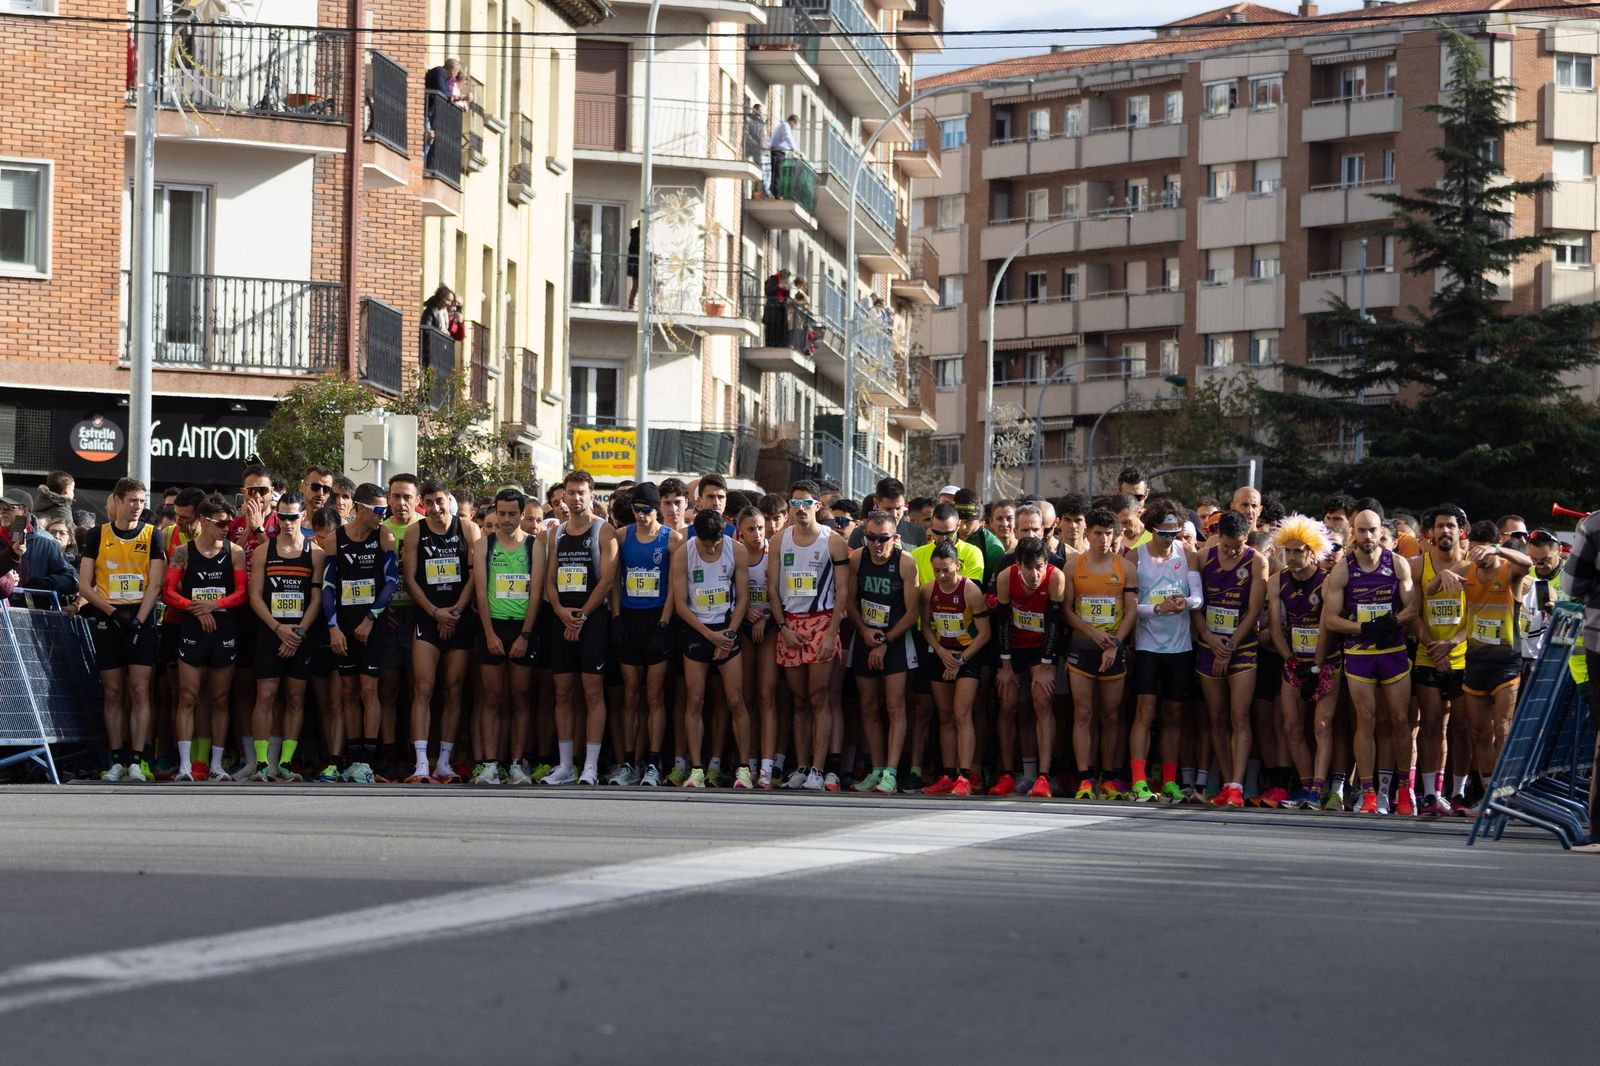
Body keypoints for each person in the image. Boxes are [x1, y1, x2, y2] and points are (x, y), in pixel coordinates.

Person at [1321, 508, 1418, 815]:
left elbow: (1412, 610)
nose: (1366, 536)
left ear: (1381, 532)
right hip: (1360, 654)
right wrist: (1363, 628)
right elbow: (1331, 620)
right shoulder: (1343, 570)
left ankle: (1405, 791)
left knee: (1400, 720)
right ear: (1353, 533)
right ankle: (1369, 793)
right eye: (1360, 530)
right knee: (1367, 720)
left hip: (1392, 652)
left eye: (1372, 530)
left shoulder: (1397, 563)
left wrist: (1392, 622)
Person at [78, 478, 166, 782]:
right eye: (132, 500)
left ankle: (138, 760)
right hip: (109, 617)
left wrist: (139, 621)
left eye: (142, 501)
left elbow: (155, 584)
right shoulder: (96, 534)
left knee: (140, 690)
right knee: (113, 692)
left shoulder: (154, 535)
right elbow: (84, 585)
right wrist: (112, 612)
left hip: (140, 618)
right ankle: (115, 759)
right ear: (116, 501)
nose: (138, 507)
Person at [767, 480, 851, 791]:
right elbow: (773, 588)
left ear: (817, 505)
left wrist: (831, 633)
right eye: (795, 503)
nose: (800, 509)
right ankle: (802, 766)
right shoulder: (779, 540)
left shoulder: (833, 541)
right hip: (790, 625)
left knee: (819, 699)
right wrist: (782, 627)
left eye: (806, 504)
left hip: (821, 623)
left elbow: (843, 591)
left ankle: (819, 767)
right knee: (799, 700)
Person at [162, 494, 247, 783]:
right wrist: (196, 609)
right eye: (221, 523)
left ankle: (217, 765)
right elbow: (169, 592)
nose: (226, 528)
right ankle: (185, 764)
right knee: (187, 696)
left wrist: (214, 606)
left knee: (220, 698)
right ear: (204, 521)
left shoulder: (234, 552)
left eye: (230, 523)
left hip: (223, 627)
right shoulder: (183, 553)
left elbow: (241, 593)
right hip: (192, 626)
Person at [542, 470, 619, 787]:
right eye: (569, 493)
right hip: (563, 619)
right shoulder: (556, 533)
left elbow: (608, 580)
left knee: (591, 693)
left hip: (593, 619)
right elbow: (549, 577)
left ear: (591, 496)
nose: (574, 498)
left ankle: (590, 765)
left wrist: (582, 616)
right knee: (562, 693)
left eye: (580, 492)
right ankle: (564, 765)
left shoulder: (604, 530)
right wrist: (561, 612)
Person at [322, 484, 399, 785]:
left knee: (369, 690)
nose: (384, 515)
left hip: (372, 623)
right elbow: (328, 588)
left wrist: (370, 619)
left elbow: (391, 582)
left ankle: (367, 760)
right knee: (348, 692)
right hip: (343, 623)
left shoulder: (385, 536)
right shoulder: (334, 539)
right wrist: (332, 628)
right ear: (361, 508)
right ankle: (353, 758)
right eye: (380, 510)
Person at [403, 478, 478, 784]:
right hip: (429, 619)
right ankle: (421, 762)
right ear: (423, 503)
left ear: (450, 500)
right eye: (429, 503)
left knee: (454, 690)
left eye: (440, 501)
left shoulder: (468, 529)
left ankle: (444, 762)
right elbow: (410, 579)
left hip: (459, 618)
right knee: (423, 689)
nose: (435, 508)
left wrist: (457, 612)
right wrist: (436, 613)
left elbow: (475, 576)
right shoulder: (414, 532)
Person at [246, 491, 324, 783]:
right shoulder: (266, 551)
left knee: (295, 697)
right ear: (275, 517)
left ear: (303, 516)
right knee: (265, 695)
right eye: (282, 517)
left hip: (300, 634)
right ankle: (262, 763)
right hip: (271, 632)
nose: (288, 523)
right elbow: (255, 596)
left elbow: (316, 598)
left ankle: (287, 762)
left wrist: (299, 632)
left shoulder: (315, 552)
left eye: (293, 517)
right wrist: (278, 629)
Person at [842, 510, 921, 795]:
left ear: (895, 537)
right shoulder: (856, 559)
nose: (876, 544)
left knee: (895, 706)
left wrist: (886, 641)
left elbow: (913, 613)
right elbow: (849, 602)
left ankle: (891, 771)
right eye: (871, 538)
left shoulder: (906, 563)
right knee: (868, 706)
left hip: (895, 639)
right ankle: (876, 769)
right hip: (866, 635)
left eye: (883, 538)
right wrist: (863, 632)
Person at [1192, 509, 1268, 808]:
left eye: (1237, 546)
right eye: (1226, 546)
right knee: (1216, 716)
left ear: (1246, 538)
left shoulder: (1256, 561)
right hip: (1208, 642)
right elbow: (1196, 606)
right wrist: (1211, 640)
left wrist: (1231, 644)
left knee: (1239, 716)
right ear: (1216, 537)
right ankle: (1225, 781)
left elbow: (1254, 610)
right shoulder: (1203, 558)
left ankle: (1237, 784)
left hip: (1242, 646)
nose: (1232, 551)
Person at [672, 508, 753, 788]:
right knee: (695, 700)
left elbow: (743, 598)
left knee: (735, 700)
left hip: (727, 628)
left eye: (716, 543)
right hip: (697, 629)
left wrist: (728, 634)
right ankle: (696, 768)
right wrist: (709, 635)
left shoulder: (736, 550)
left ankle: (744, 767)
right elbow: (680, 604)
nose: (712, 547)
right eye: (707, 544)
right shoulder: (684, 553)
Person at [1452, 519, 1533, 796]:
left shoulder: (1510, 570)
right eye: (1474, 550)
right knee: (1478, 732)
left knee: (1502, 729)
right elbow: (1430, 589)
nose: (1479, 557)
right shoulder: (1467, 568)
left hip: (1506, 664)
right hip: (1475, 662)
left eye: (1482, 551)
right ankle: (1488, 793)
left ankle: (1505, 791)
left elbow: (1527, 564)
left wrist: (1498, 549)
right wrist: (1445, 577)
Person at [1129, 500, 1202, 804]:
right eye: (1163, 534)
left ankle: (1170, 782)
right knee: (1144, 713)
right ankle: (1139, 781)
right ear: (1151, 531)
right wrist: (1158, 608)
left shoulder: (1187, 556)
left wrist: (1185, 603)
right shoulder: (1135, 557)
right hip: (1147, 646)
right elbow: (1131, 608)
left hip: (1180, 646)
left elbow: (1198, 597)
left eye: (1174, 533)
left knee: (1173, 715)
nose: (1169, 539)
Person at [1266, 514, 1340, 811]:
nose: (1293, 557)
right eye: (1289, 551)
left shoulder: (1326, 582)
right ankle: (1307, 785)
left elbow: (1326, 627)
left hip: (1326, 663)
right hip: (1294, 661)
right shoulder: (1277, 582)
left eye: (1299, 551)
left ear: (1312, 552)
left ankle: (1320, 787)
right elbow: (1274, 628)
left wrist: (1315, 667)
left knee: (1322, 725)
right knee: (1292, 728)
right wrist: (1291, 661)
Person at [1064, 507, 1139, 800]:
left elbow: (1131, 611)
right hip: (1082, 647)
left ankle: (1109, 777)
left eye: (1109, 533)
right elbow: (1067, 611)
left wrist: (1115, 644)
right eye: (1097, 533)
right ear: (1088, 533)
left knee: (1110, 715)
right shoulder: (1073, 566)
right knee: (1083, 713)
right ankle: (1085, 777)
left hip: (1113, 650)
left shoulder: (1126, 568)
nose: (1103, 539)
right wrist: (1093, 634)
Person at [471, 489, 541, 786]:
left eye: (512, 514)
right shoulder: (483, 545)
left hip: (522, 629)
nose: (506, 519)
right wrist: (489, 633)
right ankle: (489, 763)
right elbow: (480, 592)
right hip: (493, 627)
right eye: (501, 513)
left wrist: (525, 634)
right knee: (491, 697)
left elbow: (536, 594)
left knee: (520, 698)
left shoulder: (535, 546)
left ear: (522, 514)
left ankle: (515, 763)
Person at [613, 482, 679, 787]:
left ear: (657, 510)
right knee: (630, 695)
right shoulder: (622, 535)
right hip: (629, 618)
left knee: (654, 695)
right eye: (636, 510)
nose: (641, 516)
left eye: (647, 510)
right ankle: (628, 761)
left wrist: (664, 625)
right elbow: (614, 581)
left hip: (656, 620)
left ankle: (653, 762)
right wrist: (616, 619)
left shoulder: (672, 540)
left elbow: (675, 588)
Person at [1409, 504, 1470, 816]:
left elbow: (1478, 615)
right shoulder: (1419, 566)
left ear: (1461, 531)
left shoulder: (1473, 565)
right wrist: (1433, 645)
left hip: (1461, 657)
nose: (1445, 531)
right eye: (1440, 526)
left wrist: (1452, 644)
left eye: (1451, 526)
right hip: (1428, 656)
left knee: (1462, 728)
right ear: (1430, 532)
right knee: (1430, 726)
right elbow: (1413, 614)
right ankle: (1432, 794)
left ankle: (1458, 793)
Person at [919, 540, 991, 796]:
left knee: (962, 713)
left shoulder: (971, 591)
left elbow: (985, 633)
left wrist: (960, 659)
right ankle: (948, 774)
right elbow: (925, 626)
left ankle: (965, 775)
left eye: (946, 570)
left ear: (958, 566)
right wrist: (940, 652)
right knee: (945, 715)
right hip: (941, 654)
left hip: (968, 655)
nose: (942, 576)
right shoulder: (928, 591)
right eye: (937, 570)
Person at [993, 536, 1063, 799]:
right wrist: (1006, 665)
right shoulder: (1005, 577)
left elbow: (1056, 624)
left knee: (1042, 700)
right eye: (1029, 567)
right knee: (1008, 701)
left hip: (1042, 647)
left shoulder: (1055, 577)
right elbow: (1001, 623)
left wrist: (1046, 667)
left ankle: (1043, 776)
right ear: (1018, 565)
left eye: (1040, 567)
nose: (1035, 574)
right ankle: (1008, 773)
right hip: (1014, 645)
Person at [0, 488, 77, 604]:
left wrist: (42, 583)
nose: (3, 511)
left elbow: (71, 580)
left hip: (34, 616)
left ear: (25, 511)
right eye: (1, 507)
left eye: (8, 507)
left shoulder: (47, 544)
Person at [769, 112, 798, 196]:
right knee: (776, 173)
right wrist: (794, 149)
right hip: (777, 152)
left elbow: (791, 140)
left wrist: (796, 149)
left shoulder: (786, 127)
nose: (794, 127)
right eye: (795, 125)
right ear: (793, 121)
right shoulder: (785, 126)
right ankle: (774, 193)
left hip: (780, 152)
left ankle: (774, 193)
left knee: (778, 173)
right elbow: (787, 137)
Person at [763, 269, 790, 348]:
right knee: (771, 329)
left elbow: (786, 296)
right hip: (772, 309)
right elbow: (768, 291)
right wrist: (778, 287)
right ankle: (770, 345)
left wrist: (787, 290)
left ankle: (781, 344)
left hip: (781, 309)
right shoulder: (772, 280)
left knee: (781, 328)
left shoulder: (785, 283)